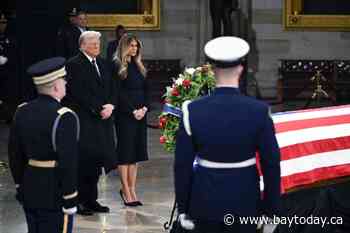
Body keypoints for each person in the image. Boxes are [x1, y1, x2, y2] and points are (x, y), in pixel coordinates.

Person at [174, 36, 281, 233]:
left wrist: (183, 209)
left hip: (204, 202)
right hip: (245, 201)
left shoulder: (192, 110)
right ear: (241, 69)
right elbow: (271, 164)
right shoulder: (259, 111)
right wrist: (271, 212)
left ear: (212, 71)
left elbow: (182, 166)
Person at [8, 57, 79, 233]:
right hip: (54, 193)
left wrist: (20, 185)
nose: (65, 84)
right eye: (63, 81)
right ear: (55, 86)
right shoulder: (64, 116)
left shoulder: (22, 110)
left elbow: (15, 154)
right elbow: (68, 162)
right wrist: (70, 198)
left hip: (30, 187)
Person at [64, 30, 117, 215]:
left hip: (102, 120)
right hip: (85, 120)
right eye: (93, 43)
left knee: (96, 162)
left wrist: (111, 104)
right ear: (83, 45)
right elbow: (77, 92)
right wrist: (98, 108)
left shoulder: (103, 63)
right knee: (83, 162)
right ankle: (79, 202)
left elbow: (111, 86)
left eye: (98, 43)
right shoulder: (73, 64)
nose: (97, 46)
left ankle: (91, 200)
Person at [113, 33, 149, 207]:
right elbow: (118, 93)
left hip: (141, 114)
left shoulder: (139, 65)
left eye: (136, 46)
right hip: (125, 115)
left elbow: (147, 89)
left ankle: (132, 189)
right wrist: (132, 110)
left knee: (135, 153)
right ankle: (125, 189)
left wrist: (144, 108)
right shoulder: (117, 66)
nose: (134, 49)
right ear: (124, 46)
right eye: (132, 45)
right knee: (125, 153)